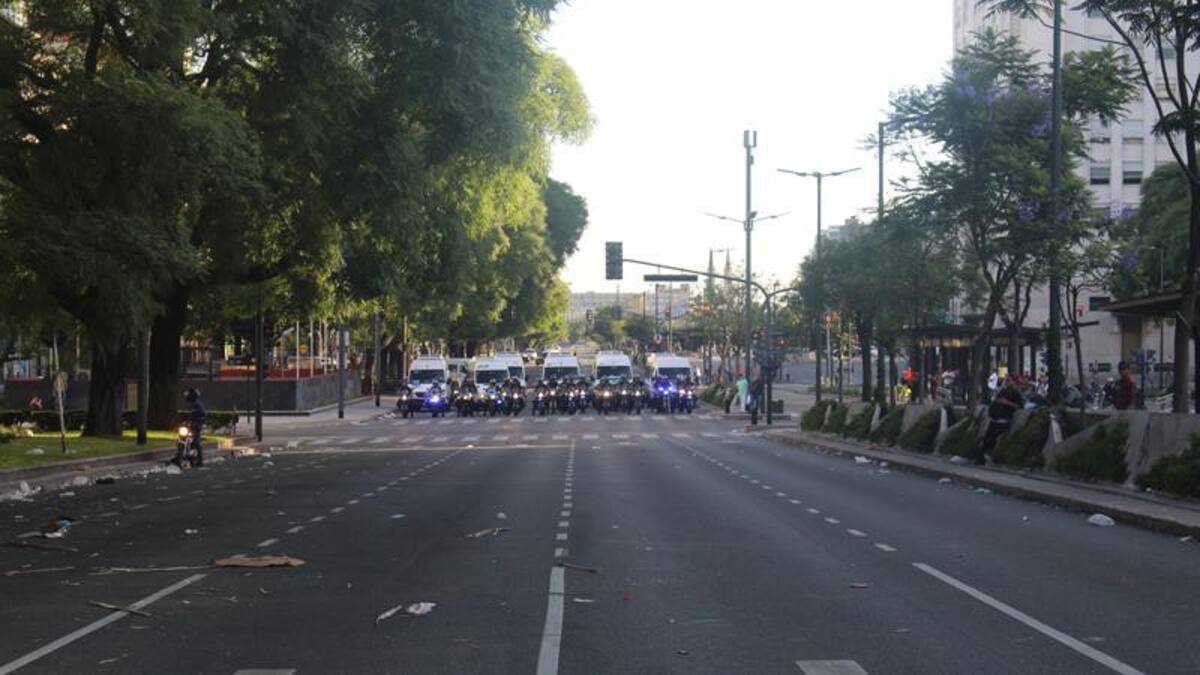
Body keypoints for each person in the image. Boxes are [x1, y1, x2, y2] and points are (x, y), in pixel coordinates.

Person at [979, 376, 1024, 465]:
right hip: (995, 418)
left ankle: (990, 456)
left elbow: (1020, 406)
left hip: (1004, 419)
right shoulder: (1003, 391)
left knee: (995, 437)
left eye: (1009, 381)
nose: (1007, 382)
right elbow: (996, 400)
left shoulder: (1016, 393)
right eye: (1006, 381)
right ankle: (984, 455)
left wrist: (1007, 403)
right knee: (988, 437)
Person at [176, 388, 207, 466]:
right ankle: (180, 456)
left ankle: (200, 460)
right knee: (181, 436)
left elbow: (203, 415)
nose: (187, 397)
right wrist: (185, 421)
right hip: (193, 423)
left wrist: (196, 422)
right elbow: (190, 414)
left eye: (188, 395)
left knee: (196, 440)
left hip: (197, 425)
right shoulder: (193, 403)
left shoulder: (197, 404)